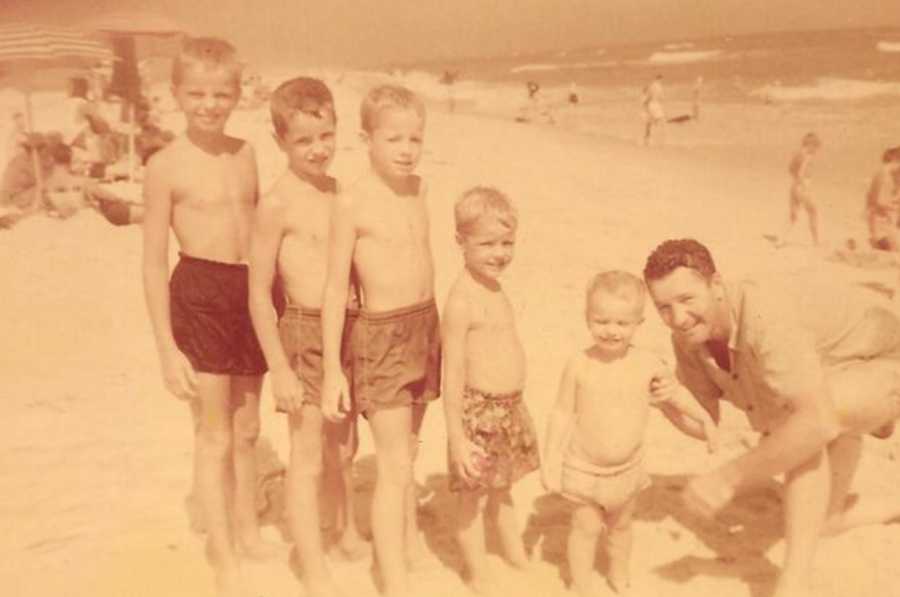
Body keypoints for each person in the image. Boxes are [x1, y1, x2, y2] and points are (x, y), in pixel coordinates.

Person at [643, 238, 900, 597]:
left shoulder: (764, 313)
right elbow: (706, 423)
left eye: (687, 300)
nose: (678, 318)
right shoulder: (688, 336)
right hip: (828, 373)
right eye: (664, 308)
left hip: (882, 362)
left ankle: (794, 584)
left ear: (716, 285)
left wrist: (728, 477)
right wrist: (669, 400)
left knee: (801, 424)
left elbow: (815, 423)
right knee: (822, 522)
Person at [141, 37, 276, 597]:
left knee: (248, 427)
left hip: (253, 292)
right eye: (197, 93)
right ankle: (221, 551)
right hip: (199, 291)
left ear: (238, 94)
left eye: (221, 93)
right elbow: (151, 262)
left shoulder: (246, 152)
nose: (209, 103)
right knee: (214, 432)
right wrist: (166, 348)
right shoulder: (164, 165)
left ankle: (246, 528)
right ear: (176, 95)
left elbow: (266, 228)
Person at [247, 76, 367, 597]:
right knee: (307, 451)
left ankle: (344, 531)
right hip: (301, 330)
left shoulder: (340, 190)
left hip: (349, 328)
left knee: (345, 445)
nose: (317, 149)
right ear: (280, 143)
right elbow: (256, 294)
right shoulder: (276, 203)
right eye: (303, 141)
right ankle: (311, 564)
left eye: (326, 136)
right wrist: (278, 367)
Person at [321, 84, 441, 597]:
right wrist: (331, 369)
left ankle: (408, 545)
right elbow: (333, 288)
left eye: (415, 138)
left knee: (409, 452)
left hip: (424, 326)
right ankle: (390, 579)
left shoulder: (420, 189)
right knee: (393, 464)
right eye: (394, 138)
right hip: (382, 335)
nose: (406, 149)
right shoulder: (352, 200)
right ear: (365, 138)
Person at [543, 270, 718, 596]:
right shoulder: (579, 365)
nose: (611, 330)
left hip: (628, 469)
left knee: (622, 528)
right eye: (601, 321)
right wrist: (550, 459)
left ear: (639, 323)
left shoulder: (647, 363)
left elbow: (676, 394)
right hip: (584, 469)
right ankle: (581, 585)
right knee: (585, 528)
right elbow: (562, 412)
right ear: (587, 319)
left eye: (622, 323)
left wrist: (704, 420)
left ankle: (618, 577)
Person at [442, 187, 540, 593]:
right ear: (460, 243)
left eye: (507, 243)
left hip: (509, 409)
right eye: (487, 244)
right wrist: (457, 438)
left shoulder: (495, 288)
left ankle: (514, 555)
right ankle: (477, 572)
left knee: (503, 489)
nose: (499, 253)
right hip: (477, 415)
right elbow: (452, 374)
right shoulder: (462, 300)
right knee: (471, 500)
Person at [777, 132, 822, 247]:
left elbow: (790, 169)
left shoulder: (797, 154)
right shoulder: (807, 156)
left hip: (794, 187)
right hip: (802, 188)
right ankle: (816, 242)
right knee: (813, 212)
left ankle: (780, 240)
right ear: (810, 145)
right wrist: (804, 184)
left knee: (793, 215)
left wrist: (797, 181)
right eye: (816, 146)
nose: (817, 150)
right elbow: (801, 172)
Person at [866, 146, 900, 251]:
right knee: (894, 248)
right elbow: (878, 203)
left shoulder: (889, 174)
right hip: (881, 227)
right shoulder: (885, 174)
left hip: (880, 224)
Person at [642, 74, 666, 146]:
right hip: (655, 105)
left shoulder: (652, 86)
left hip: (651, 104)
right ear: (660, 79)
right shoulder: (659, 87)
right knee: (659, 121)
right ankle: (657, 140)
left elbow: (648, 96)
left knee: (650, 122)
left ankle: (647, 139)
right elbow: (661, 97)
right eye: (661, 80)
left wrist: (645, 104)